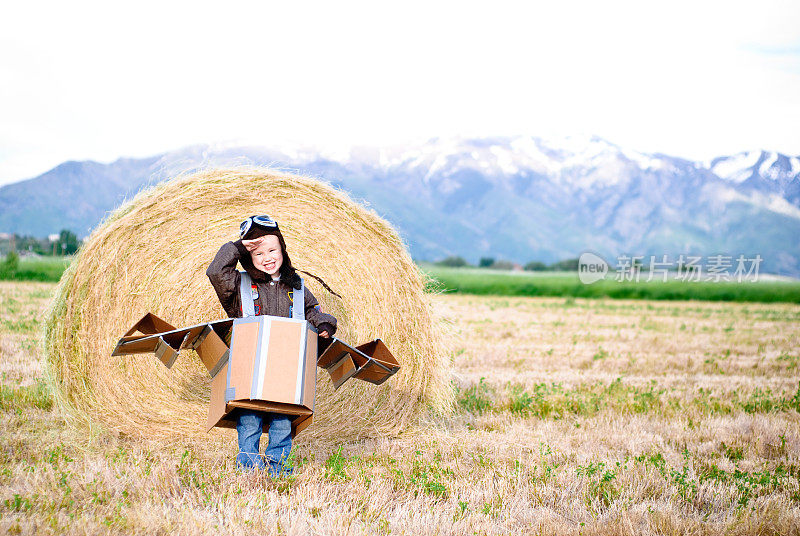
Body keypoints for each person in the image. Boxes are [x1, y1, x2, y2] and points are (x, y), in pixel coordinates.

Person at [206, 215, 337, 476]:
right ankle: (248, 467)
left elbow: (313, 311)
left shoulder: (297, 287)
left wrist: (324, 325)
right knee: (250, 418)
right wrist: (239, 246)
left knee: (282, 420)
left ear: (283, 250)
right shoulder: (237, 285)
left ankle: (277, 467)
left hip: (286, 368)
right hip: (250, 366)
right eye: (258, 252)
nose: (267, 257)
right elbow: (215, 272)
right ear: (248, 257)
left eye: (272, 250)